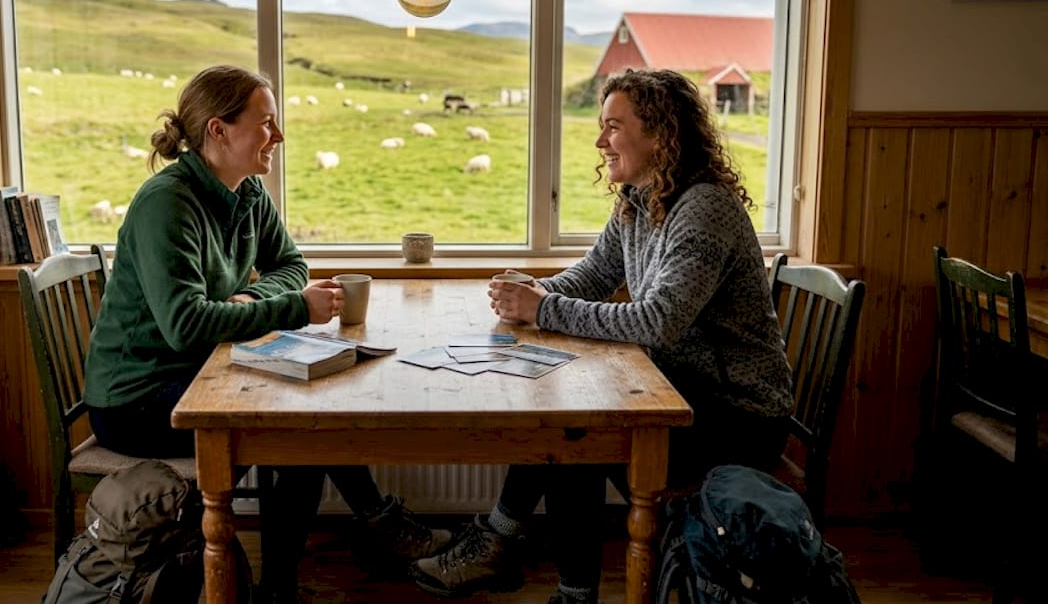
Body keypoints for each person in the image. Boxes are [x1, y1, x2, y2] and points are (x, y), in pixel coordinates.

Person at [410, 68, 794, 604]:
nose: (599, 141)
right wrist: (532, 291)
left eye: (613, 126)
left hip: (738, 417)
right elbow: (593, 275)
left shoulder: (703, 208)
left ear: (661, 134)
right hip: (682, 389)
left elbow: (657, 321)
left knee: (579, 433)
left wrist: (544, 309)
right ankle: (536, 568)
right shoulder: (639, 199)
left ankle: (530, 566)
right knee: (571, 421)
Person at [82, 65, 450, 601]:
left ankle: (355, 540)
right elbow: (187, 326)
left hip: (196, 372)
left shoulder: (248, 191)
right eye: (267, 123)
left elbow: (291, 263)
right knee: (298, 431)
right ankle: (335, 555)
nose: (278, 136)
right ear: (218, 131)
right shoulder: (168, 202)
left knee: (308, 416)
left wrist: (255, 298)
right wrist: (292, 309)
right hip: (136, 398)